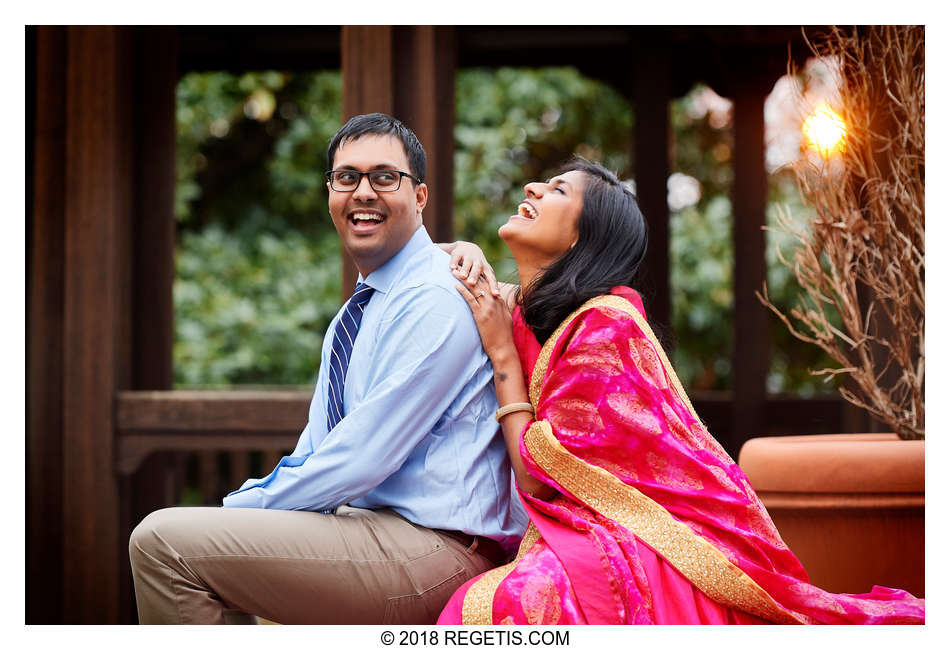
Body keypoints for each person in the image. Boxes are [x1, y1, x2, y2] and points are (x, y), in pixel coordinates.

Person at [436, 158, 925, 624]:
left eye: (558, 189)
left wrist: (502, 354)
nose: (532, 188)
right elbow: (423, 260)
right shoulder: (526, 311)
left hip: (653, 537)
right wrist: (467, 250)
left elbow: (540, 477)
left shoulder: (606, 328)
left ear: (584, 239)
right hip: (570, 531)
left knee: (504, 607)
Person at [128, 113, 527, 625]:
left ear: (421, 196)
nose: (363, 192)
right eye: (346, 178)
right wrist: (246, 511)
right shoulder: (352, 317)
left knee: (163, 544)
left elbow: (363, 458)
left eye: (385, 177)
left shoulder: (436, 296)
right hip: (372, 530)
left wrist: (238, 510)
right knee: (205, 554)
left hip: (439, 550)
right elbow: (316, 449)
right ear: (330, 193)